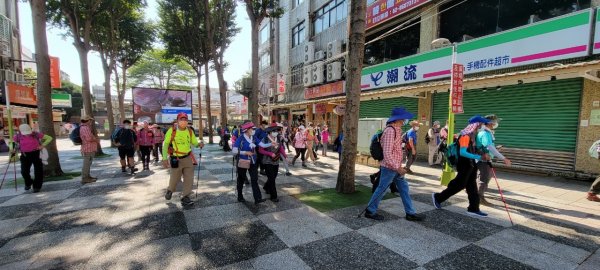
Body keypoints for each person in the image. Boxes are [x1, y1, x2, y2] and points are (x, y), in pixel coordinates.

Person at [364, 107, 424, 221]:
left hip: (395, 167)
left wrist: (398, 166)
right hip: (390, 167)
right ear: (399, 119)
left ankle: (410, 213)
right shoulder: (390, 131)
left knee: (404, 188)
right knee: (381, 189)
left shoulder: (396, 129)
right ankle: (370, 211)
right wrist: (397, 168)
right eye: (404, 118)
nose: (405, 120)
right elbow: (387, 153)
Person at [432, 115, 492, 217]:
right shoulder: (465, 135)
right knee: (459, 184)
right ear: (476, 124)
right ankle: (438, 197)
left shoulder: (473, 135)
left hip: (471, 163)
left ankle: (473, 208)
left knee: (472, 186)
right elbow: (463, 152)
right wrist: (479, 156)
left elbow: (472, 149)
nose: (482, 125)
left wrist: (482, 154)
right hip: (464, 164)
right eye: (481, 124)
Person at [162, 112, 204, 207]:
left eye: (185, 119)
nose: (184, 121)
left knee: (189, 178)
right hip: (175, 158)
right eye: (182, 119)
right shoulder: (172, 131)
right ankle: (170, 190)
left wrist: (199, 144)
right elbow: (165, 145)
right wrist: (164, 159)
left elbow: (194, 142)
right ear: (178, 120)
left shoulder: (189, 131)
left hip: (187, 158)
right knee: (174, 178)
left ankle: (185, 197)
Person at [476, 114, 512, 205]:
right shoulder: (484, 133)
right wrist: (503, 158)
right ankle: (479, 198)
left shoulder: (487, 132)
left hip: (485, 159)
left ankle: (477, 194)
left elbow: (490, 147)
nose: (496, 123)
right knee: (483, 179)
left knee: (485, 177)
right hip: (483, 160)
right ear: (489, 123)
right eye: (494, 122)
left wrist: (496, 149)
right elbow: (489, 147)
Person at [232, 121, 267, 205]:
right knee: (241, 179)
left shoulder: (254, 137)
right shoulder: (241, 138)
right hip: (243, 161)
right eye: (252, 129)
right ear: (247, 130)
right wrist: (245, 153)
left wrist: (271, 143)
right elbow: (234, 150)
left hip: (253, 162)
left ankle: (257, 198)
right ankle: (240, 196)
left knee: (254, 179)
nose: (254, 130)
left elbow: (262, 144)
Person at [13, 124, 53, 192]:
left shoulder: (36, 134)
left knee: (38, 171)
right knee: (24, 171)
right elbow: (14, 145)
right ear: (20, 131)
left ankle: (37, 186)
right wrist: (13, 150)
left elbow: (49, 138)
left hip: (36, 154)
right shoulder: (17, 137)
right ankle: (28, 182)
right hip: (24, 155)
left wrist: (42, 145)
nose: (27, 134)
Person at [259, 123, 287, 202]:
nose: (276, 132)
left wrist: (285, 156)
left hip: (276, 161)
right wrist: (270, 153)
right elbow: (260, 150)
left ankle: (266, 187)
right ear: (270, 132)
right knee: (271, 178)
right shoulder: (265, 139)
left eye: (277, 131)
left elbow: (280, 148)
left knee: (273, 177)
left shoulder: (277, 138)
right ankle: (273, 196)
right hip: (267, 161)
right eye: (274, 131)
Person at [80, 115, 99, 184]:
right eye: (90, 120)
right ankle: (85, 178)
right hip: (88, 149)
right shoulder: (85, 128)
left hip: (88, 148)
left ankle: (87, 176)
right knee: (87, 163)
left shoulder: (85, 127)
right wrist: (96, 139)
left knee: (88, 163)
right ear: (87, 121)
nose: (91, 121)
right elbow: (89, 139)